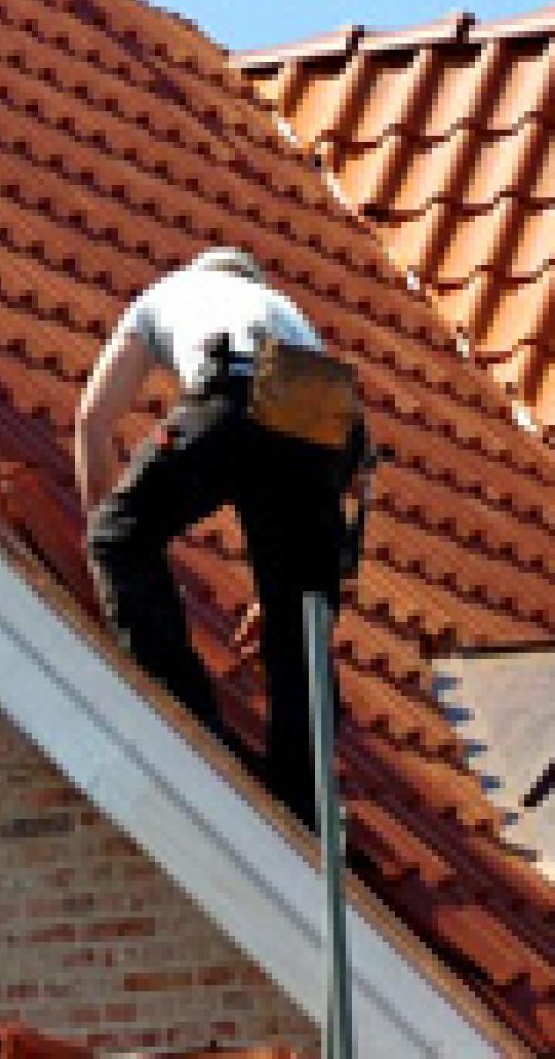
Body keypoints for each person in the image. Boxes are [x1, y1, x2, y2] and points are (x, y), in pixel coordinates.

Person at [76, 246, 349, 824]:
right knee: (297, 615)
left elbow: (94, 419)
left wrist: (104, 528)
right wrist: (272, 591)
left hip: (236, 389)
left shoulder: (164, 296)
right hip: (320, 416)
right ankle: (303, 802)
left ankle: (192, 726)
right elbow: (309, 453)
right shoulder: (284, 307)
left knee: (118, 540)